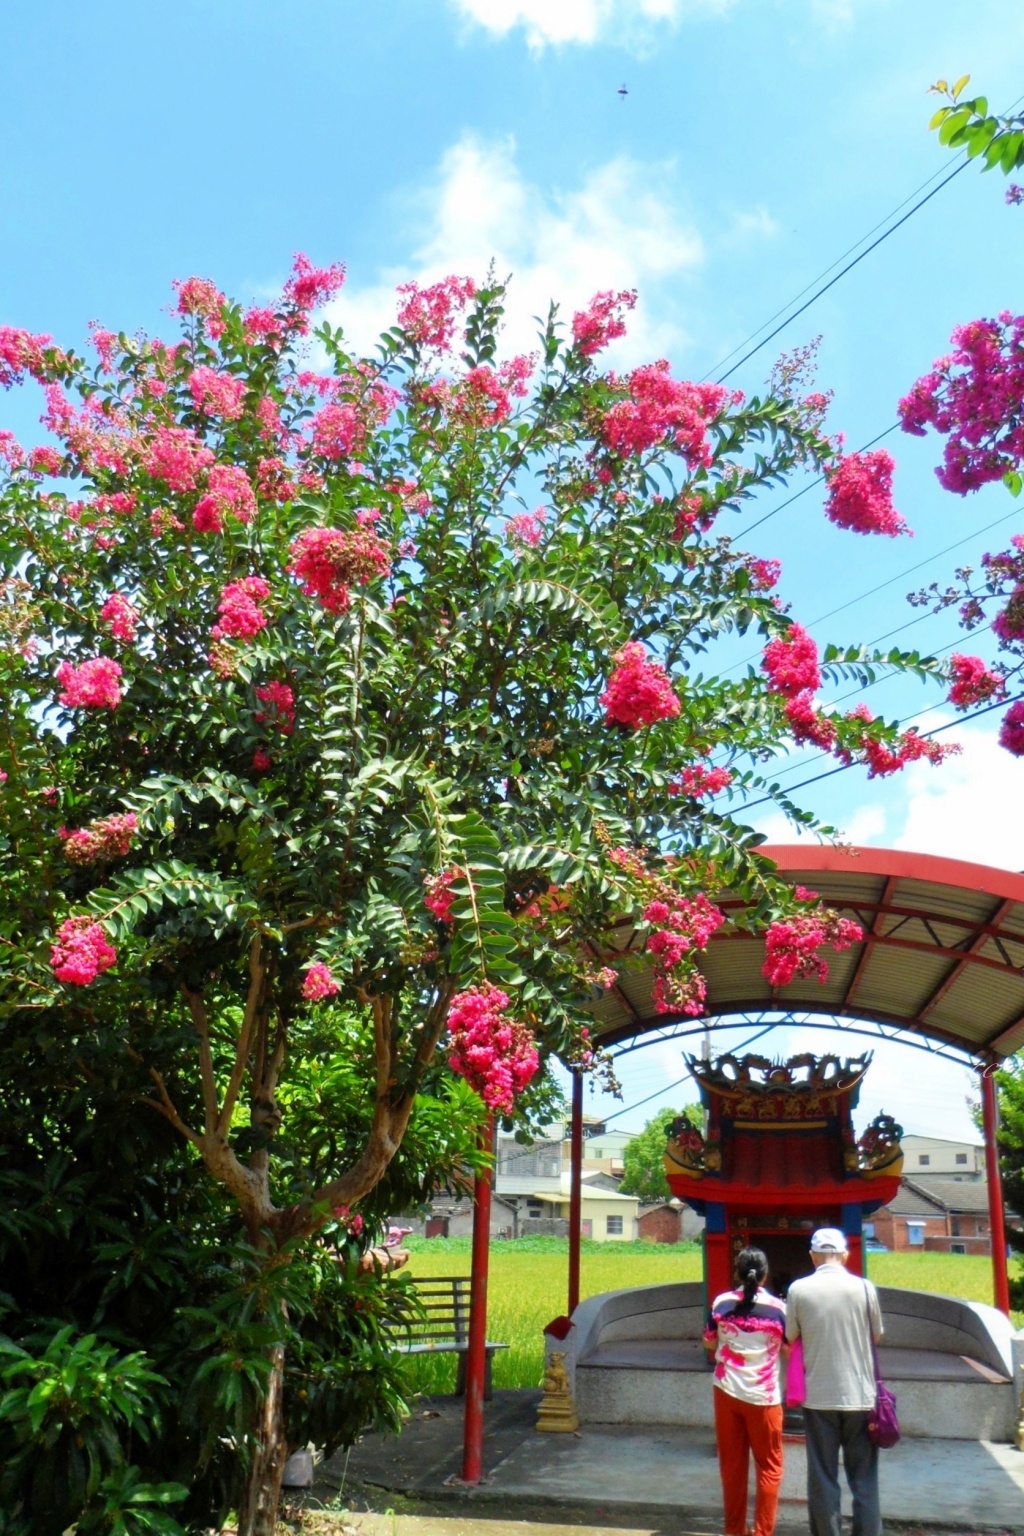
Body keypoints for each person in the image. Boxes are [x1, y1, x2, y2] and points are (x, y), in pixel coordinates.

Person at [785, 1228, 884, 1536]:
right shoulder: (865, 1288)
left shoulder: (799, 1289)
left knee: (823, 1476)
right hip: (861, 1395)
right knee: (864, 1477)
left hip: (818, 1396)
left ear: (813, 1256)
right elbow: (876, 1335)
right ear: (845, 1254)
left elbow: (790, 1336)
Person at [704, 1246, 787, 1536]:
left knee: (732, 1466)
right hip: (763, 1397)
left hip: (726, 1392)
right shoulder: (779, 1310)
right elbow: (788, 1347)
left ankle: (734, 1531)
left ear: (737, 1273)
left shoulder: (721, 1303)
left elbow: (709, 1343)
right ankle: (762, 1533)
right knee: (769, 1467)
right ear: (765, 1276)